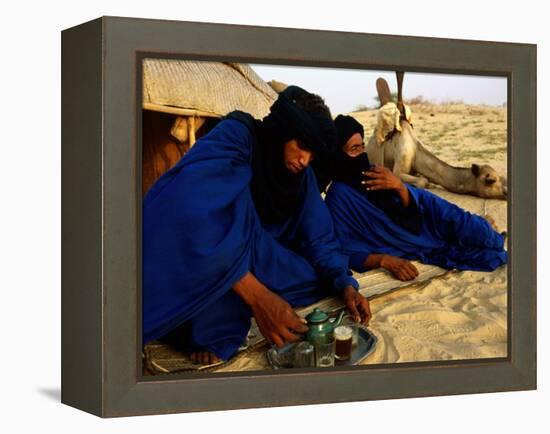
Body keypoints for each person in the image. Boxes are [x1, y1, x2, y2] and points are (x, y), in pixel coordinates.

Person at [143, 88, 371, 365]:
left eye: (313, 155)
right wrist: (259, 297)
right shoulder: (237, 137)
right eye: (301, 146)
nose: (304, 160)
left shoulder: (302, 176)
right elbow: (185, 211)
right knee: (213, 311)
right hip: (211, 251)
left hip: (261, 257)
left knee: (317, 279)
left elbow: (320, 237)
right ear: (283, 130)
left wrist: (345, 282)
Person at [317, 115, 507, 281]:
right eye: (354, 149)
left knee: (483, 235)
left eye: (362, 147)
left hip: (429, 217)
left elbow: (413, 211)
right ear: (339, 154)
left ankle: (488, 230)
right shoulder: (339, 197)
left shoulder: (373, 172)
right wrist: (384, 260)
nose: (362, 154)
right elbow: (342, 250)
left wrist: (399, 187)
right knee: (489, 256)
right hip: (414, 241)